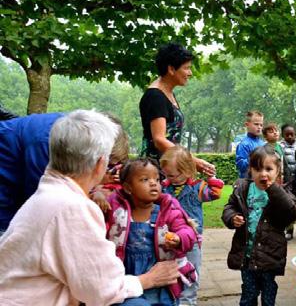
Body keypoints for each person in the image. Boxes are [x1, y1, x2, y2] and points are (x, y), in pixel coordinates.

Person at [0, 110, 181, 305]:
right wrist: (147, 279)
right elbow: (103, 290)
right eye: (111, 166)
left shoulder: (45, 195)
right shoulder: (72, 208)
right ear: (100, 163)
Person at [105, 158, 199, 305]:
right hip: (128, 281)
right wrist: (98, 195)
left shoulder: (167, 210)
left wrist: (179, 238)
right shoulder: (118, 212)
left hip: (162, 285)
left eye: (157, 179)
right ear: (128, 187)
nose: (153, 183)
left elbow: (186, 230)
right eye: (145, 179)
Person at [222, 145, 296, 306]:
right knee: (249, 291)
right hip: (247, 253)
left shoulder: (283, 192)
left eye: (268, 169)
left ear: (277, 171)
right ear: (251, 170)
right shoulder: (243, 189)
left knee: (268, 289)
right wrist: (232, 217)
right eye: (257, 169)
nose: (263, 173)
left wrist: (275, 190)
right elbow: (230, 207)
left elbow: (291, 212)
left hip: (269, 253)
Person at [160, 146, 224, 305]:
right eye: (167, 174)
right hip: (168, 238)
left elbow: (215, 193)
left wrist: (211, 177)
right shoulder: (164, 187)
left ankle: (188, 301)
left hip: (191, 241)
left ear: (188, 171)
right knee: (170, 272)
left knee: (191, 272)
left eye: (173, 175)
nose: (170, 178)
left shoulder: (198, 187)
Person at [139, 42, 215, 174]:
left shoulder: (168, 93)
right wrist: (192, 160)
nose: (190, 73)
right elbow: (159, 140)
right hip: (154, 173)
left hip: (170, 169)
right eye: (186, 68)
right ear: (171, 69)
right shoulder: (155, 96)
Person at [280, 124, 296, 240]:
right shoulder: (280, 147)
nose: (290, 137)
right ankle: (289, 230)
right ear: (283, 135)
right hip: (286, 182)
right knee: (288, 206)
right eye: (287, 135)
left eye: (292, 134)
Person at [235, 111, 266, 178]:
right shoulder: (244, 144)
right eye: (256, 124)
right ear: (247, 124)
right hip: (248, 182)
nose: (259, 127)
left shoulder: (262, 143)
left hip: (262, 181)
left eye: (261, 125)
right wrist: (253, 158)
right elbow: (241, 166)